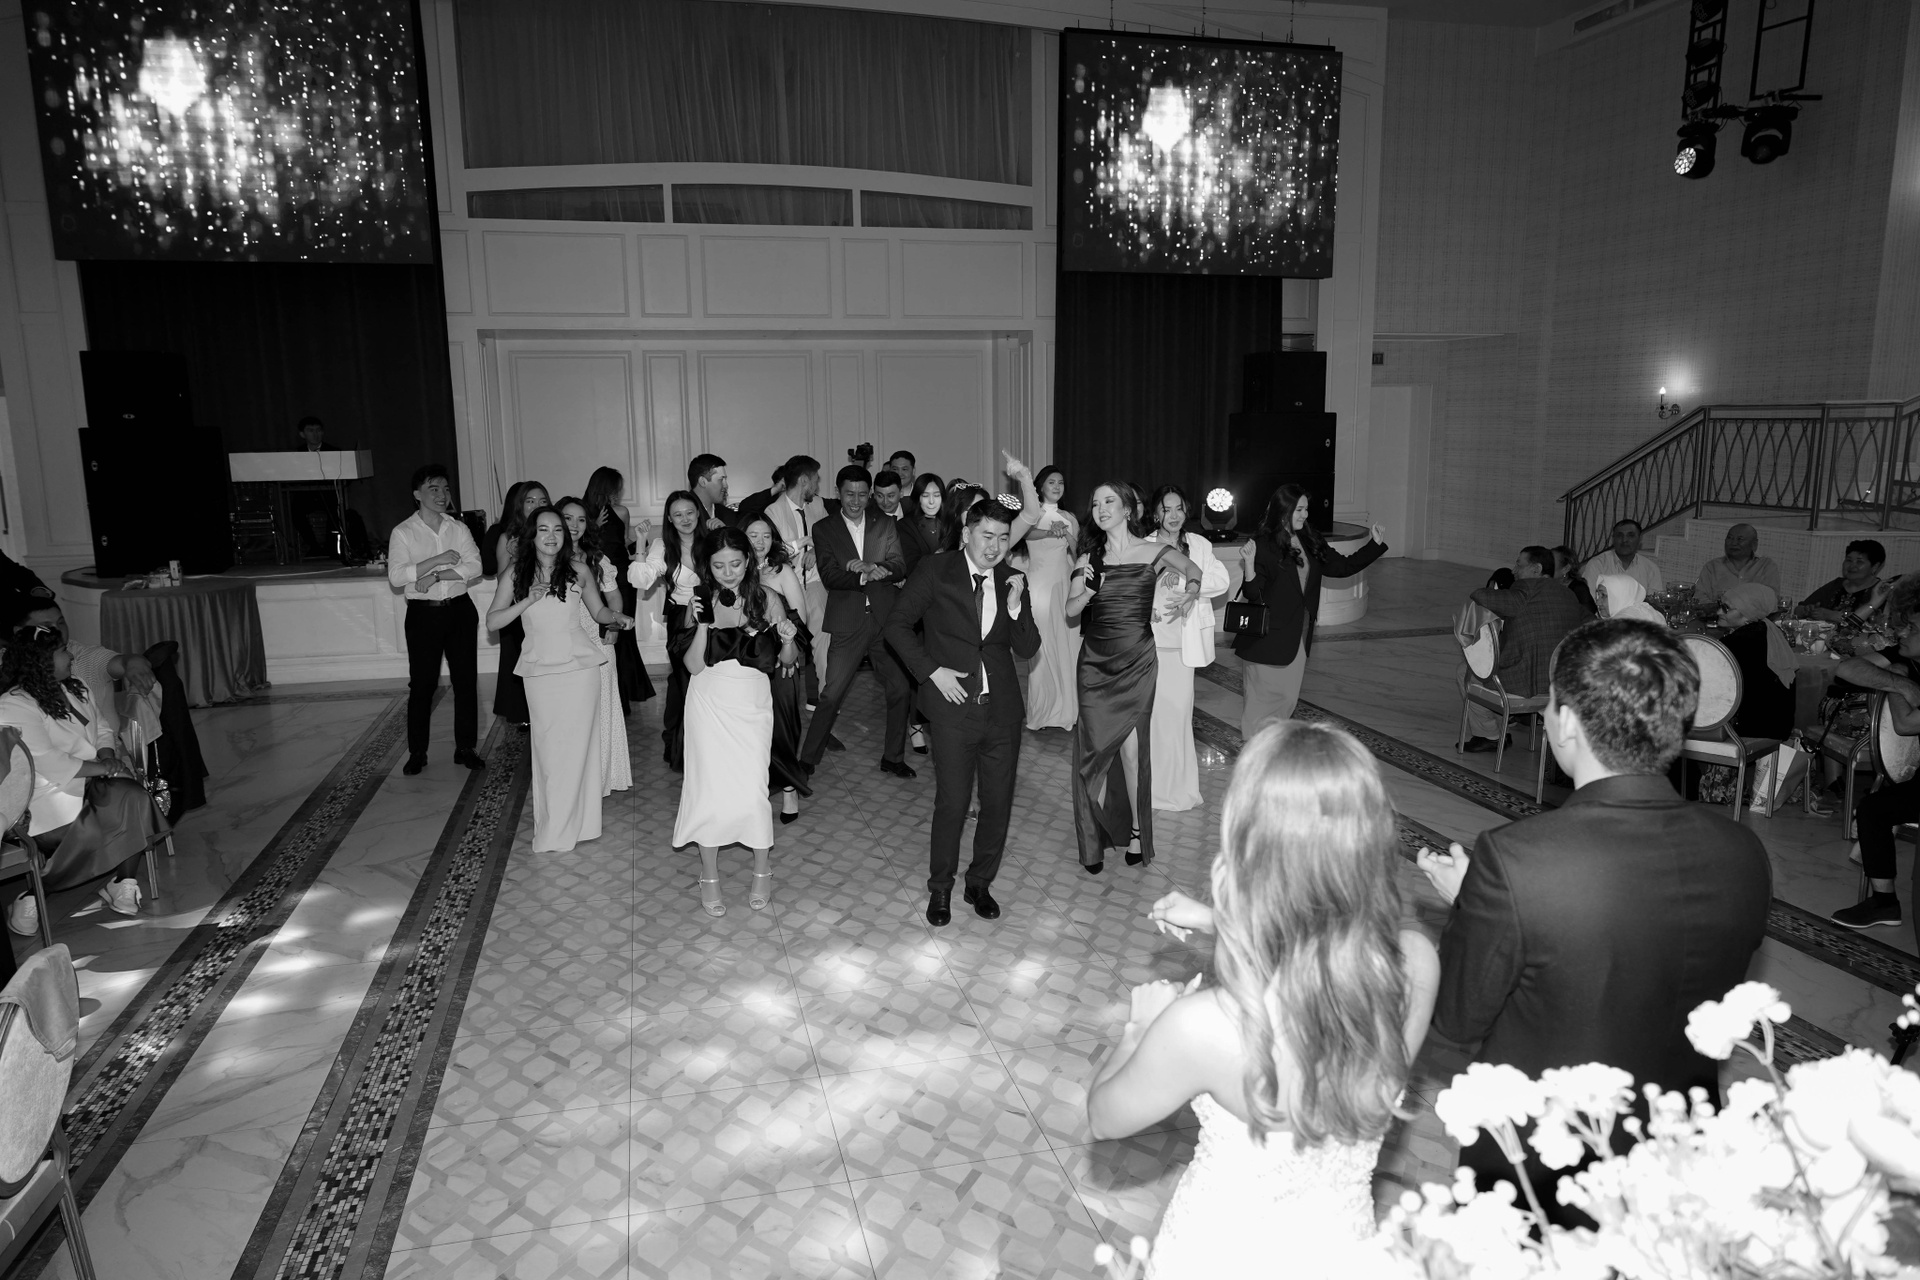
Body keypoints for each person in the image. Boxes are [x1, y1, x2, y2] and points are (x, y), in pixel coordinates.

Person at [1416, 618, 1771, 1211]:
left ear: (1566, 723)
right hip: (1679, 1146)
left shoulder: (1517, 859)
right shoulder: (1744, 852)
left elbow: (1455, 1020)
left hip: (1543, 1162)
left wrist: (1473, 905)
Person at [1087, 721, 1440, 1276]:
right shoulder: (1415, 965)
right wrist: (1216, 920)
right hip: (1341, 1254)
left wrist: (1139, 1028)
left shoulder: (1204, 1026)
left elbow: (1105, 1118)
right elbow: (1323, 947)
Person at [886, 499, 1040, 926]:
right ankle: (941, 888)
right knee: (953, 804)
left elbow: (1028, 647)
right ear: (968, 533)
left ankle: (980, 883)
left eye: (1003, 538)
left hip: (1002, 710)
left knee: (998, 804)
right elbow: (896, 626)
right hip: (953, 710)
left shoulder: (1012, 579)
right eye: (987, 536)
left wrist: (1015, 607)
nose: (995, 547)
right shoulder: (937, 570)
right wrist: (932, 671)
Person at [1065, 481, 1204, 874]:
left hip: (1138, 661)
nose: (1100, 508)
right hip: (1095, 664)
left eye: (1109, 501)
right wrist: (1089, 591)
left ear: (1128, 509)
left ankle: (1139, 832)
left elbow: (1193, 569)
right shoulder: (1089, 557)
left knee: (1130, 751)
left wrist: (1192, 592)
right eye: (1095, 503)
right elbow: (1070, 610)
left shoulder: (1154, 551)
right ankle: (1092, 836)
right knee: (1093, 753)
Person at [0, 622, 169, 923]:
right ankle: (37, 894)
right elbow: (49, 761)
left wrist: (107, 756)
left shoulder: (75, 684)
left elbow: (102, 726)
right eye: (62, 651)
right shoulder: (13, 705)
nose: (71, 657)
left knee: (134, 798)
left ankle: (123, 881)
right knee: (99, 827)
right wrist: (103, 768)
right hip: (44, 796)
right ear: (40, 661)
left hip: (92, 778)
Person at [673, 527, 801, 916]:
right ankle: (709, 875)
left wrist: (788, 639)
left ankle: (762, 870)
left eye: (735, 563)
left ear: (748, 561)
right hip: (708, 701)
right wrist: (704, 624)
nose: (728, 572)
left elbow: (787, 662)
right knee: (708, 789)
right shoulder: (699, 600)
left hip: (752, 703)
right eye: (719, 566)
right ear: (707, 567)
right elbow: (693, 665)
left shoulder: (768, 598)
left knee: (751, 789)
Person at [486, 508, 629, 852]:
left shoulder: (579, 570)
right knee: (549, 750)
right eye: (543, 529)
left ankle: (582, 826)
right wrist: (527, 600)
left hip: (580, 669)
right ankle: (553, 828)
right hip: (540, 670)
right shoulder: (516, 573)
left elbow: (598, 612)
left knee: (580, 748)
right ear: (532, 535)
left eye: (558, 530)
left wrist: (617, 617)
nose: (551, 536)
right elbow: (493, 621)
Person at [15, 600, 208, 818]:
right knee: (122, 803)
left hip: (97, 764)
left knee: (128, 799)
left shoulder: (78, 671)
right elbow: (46, 759)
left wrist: (133, 662)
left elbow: (101, 725)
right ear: (21, 634)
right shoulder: (16, 691)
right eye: (47, 627)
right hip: (49, 781)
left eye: (61, 623)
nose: (58, 632)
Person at [1231, 486, 1388, 741]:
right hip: (1266, 637)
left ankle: (1273, 750)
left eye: (1306, 509)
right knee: (1262, 702)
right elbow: (1253, 594)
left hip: (1299, 633)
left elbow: (1342, 567)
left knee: (1287, 699)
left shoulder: (1310, 539)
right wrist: (1249, 565)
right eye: (1299, 510)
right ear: (1284, 511)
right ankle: (1257, 751)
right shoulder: (1263, 545)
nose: (1305, 515)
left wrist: (1374, 545)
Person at [800, 466, 913, 777]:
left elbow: (899, 565)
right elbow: (830, 575)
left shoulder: (885, 523)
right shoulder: (824, 528)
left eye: (863, 494)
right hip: (848, 621)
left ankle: (893, 757)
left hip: (884, 621)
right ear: (838, 493)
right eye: (849, 494)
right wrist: (861, 575)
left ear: (870, 494)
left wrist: (874, 567)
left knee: (900, 688)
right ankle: (807, 760)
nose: (856, 500)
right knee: (831, 693)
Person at [1826, 576, 1920, 930]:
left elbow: (1907, 723)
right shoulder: (1906, 661)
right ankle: (1884, 903)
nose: (1901, 633)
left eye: (1912, 627)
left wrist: (1896, 678)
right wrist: (1899, 680)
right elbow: (1846, 668)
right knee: (1873, 809)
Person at [388, 465, 484, 777]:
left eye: (445, 488)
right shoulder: (403, 532)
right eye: (434, 489)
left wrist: (438, 576)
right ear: (417, 494)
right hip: (423, 615)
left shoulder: (458, 528)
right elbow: (397, 576)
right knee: (423, 685)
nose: (442, 495)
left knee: (465, 681)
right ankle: (417, 752)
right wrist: (436, 561)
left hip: (459, 610)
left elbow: (475, 566)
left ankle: (466, 748)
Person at [1141, 485, 1229, 809]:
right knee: (1154, 716)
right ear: (1156, 514)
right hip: (1151, 641)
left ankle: (1178, 789)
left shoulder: (1199, 544)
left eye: (1179, 508)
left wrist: (1192, 587)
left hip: (1184, 644)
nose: (1174, 515)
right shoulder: (1145, 545)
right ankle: (1152, 789)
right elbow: (1133, 588)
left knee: (1178, 716)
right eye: (1167, 509)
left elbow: (1221, 581)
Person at [1456, 546, 1587, 753]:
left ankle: (1489, 735)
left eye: (1519, 564)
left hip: (1524, 685)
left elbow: (1481, 596)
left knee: (1465, 671)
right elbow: (1590, 621)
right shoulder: (1569, 595)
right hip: (1559, 684)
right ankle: (1501, 730)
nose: (1514, 570)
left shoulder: (1525, 590)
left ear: (1536, 569)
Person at [558, 498, 632, 796]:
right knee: (570, 713)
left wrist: (613, 627)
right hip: (561, 643)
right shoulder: (544, 559)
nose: (574, 525)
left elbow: (613, 598)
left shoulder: (597, 559)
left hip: (597, 638)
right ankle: (572, 780)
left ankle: (602, 779)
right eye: (567, 518)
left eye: (580, 520)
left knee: (603, 708)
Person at [744, 515, 813, 824]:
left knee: (783, 724)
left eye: (766, 535)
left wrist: (788, 651)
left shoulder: (781, 570)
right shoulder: (734, 570)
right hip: (745, 663)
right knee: (752, 729)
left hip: (781, 659)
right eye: (753, 535)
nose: (760, 542)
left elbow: (801, 618)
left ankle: (789, 788)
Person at [631, 491, 705, 771]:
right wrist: (641, 541)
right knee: (686, 681)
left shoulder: (712, 540)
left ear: (698, 513)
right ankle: (684, 750)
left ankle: (705, 744)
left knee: (705, 682)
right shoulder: (662, 546)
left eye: (689, 512)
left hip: (713, 617)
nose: (685, 519)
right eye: (678, 514)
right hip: (681, 620)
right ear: (670, 519)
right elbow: (640, 580)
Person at [1003, 463, 1080, 733]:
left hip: (1065, 586)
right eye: (1051, 482)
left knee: (1066, 648)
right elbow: (1024, 533)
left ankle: (1068, 712)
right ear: (1040, 486)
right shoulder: (1031, 516)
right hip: (1039, 586)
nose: (1057, 487)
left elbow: (1078, 552)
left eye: (1060, 483)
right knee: (1041, 647)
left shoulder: (1069, 517)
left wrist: (1066, 532)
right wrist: (1050, 532)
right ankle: (1042, 713)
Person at [582, 467, 654, 715]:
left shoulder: (621, 511)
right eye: (616, 487)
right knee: (599, 631)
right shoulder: (582, 513)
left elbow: (623, 542)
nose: (618, 492)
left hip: (621, 576)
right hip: (594, 576)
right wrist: (593, 526)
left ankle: (626, 693)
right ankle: (603, 693)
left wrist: (641, 542)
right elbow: (577, 543)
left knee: (624, 633)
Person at [483, 481, 549, 727]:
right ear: (520, 505)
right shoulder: (508, 537)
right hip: (517, 608)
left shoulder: (550, 532)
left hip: (546, 607)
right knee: (516, 662)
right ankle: (522, 715)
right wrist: (513, 557)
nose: (536, 505)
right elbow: (501, 580)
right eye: (530, 501)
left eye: (542, 501)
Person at [763, 456, 828, 703]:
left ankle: (825, 701)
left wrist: (817, 549)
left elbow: (830, 537)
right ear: (803, 481)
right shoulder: (773, 511)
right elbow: (772, 553)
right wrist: (801, 544)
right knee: (786, 643)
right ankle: (783, 701)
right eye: (815, 480)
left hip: (814, 584)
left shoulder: (818, 505)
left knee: (824, 642)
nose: (817, 485)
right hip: (786, 590)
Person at [1716, 583, 1795, 742]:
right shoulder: (1768, 631)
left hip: (1749, 731)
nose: (1718, 612)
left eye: (1726, 608)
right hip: (1776, 727)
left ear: (1748, 615)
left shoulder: (1737, 643)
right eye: (1720, 606)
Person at [1798, 539, 1889, 625]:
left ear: (1875, 567)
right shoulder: (1836, 585)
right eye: (1849, 560)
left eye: (1859, 562)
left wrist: (1832, 615)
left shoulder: (1882, 591)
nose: (1852, 566)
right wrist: (1807, 611)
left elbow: (1877, 624)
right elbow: (1798, 610)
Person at [1695, 522, 1781, 605]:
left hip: (1756, 615)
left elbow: (1771, 600)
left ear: (1754, 544)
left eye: (1740, 539)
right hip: (1718, 614)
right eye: (1730, 538)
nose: (1734, 543)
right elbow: (1700, 599)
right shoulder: (1712, 567)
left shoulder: (1766, 566)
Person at [1580, 518, 1665, 595]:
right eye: (1619, 535)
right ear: (1613, 539)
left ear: (1639, 539)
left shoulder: (1651, 569)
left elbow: (1654, 603)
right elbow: (1588, 600)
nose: (1624, 540)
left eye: (1630, 536)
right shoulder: (1597, 564)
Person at [899, 473, 955, 575]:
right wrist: (938, 557)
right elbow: (911, 565)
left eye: (936, 495)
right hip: (922, 580)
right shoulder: (906, 525)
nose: (931, 501)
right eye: (925, 496)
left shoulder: (951, 522)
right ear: (917, 498)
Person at [687, 453, 736, 529]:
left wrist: (725, 531)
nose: (726, 485)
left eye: (725, 480)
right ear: (703, 481)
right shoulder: (683, 513)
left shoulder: (728, 515)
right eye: (721, 480)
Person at [1593, 573, 1666, 623]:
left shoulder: (1622, 621)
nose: (1597, 603)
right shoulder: (1644, 611)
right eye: (1598, 595)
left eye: (1603, 595)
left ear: (1621, 596)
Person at [1551, 545, 1598, 615]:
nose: (1546, 566)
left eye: (1552, 563)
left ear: (1566, 569)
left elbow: (1588, 615)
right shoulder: (1547, 585)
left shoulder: (1579, 588)